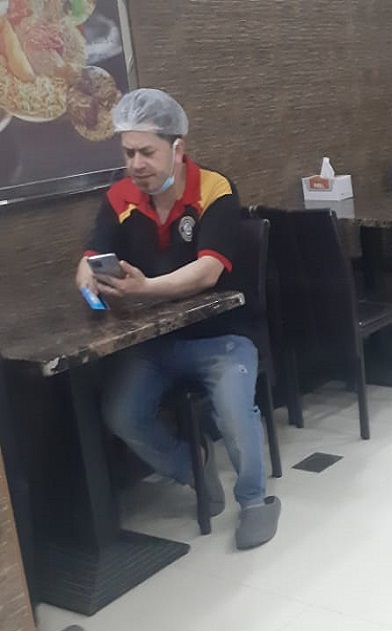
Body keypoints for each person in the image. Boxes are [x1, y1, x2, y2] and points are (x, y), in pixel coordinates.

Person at [75, 88, 280, 550]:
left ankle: (255, 500)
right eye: (128, 153)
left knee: (235, 414)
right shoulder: (120, 197)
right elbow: (90, 256)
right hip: (155, 343)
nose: (136, 164)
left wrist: (144, 288)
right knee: (121, 414)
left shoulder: (214, 189)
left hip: (223, 336)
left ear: (177, 148)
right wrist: (89, 281)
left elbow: (208, 272)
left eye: (146, 152)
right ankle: (193, 467)